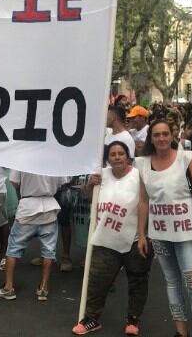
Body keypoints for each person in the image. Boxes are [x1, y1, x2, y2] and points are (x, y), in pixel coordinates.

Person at [135, 119, 192, 337]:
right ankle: (181, 332)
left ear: (172, 136)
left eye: (165, 134)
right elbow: (143, 201)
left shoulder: (187, 158)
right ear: (150, 139)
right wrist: (141, 234)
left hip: (187, 233)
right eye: (156, 135)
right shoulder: (143, 163)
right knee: (172, 282)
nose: (161, 138)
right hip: (160, 234)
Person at [72, 141, 152, 336]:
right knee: (97, 281)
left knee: (137, 281)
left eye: (121, 153)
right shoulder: (101, 175)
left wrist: (143, 234)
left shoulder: (138, 175)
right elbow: (92, 201)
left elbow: (144, 203)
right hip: (105, 239)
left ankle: (133, 319)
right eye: (113, 154)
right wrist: (90, 186)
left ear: (128, 156)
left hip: (133, 240)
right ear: (108, 158)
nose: (117, 157)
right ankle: (91, 319)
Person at [0, 171, 68, 302]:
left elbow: (14, 181)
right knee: (48, 251)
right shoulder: (54, 159)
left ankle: (8, 287)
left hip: (27, 208)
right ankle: (43, 288)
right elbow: (63, 182)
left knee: (13, 249)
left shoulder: (24, 157)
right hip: (49, 208)